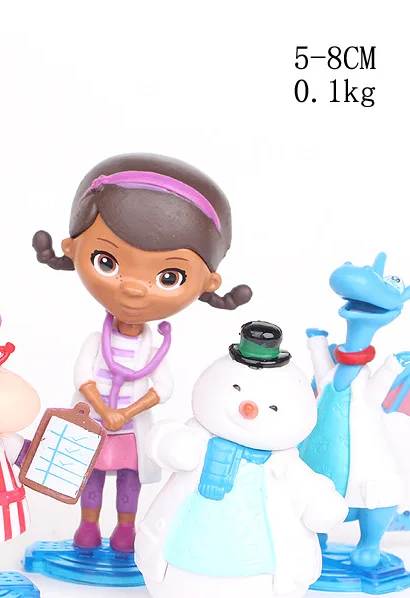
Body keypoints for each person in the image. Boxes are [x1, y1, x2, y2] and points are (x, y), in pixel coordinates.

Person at [33, 153, 252, 552]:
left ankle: (125, 530)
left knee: (129, 481)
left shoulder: (154, 347)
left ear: (209, 282)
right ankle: (87, 527)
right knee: (89, 477)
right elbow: (82, 376)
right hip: (93, 423)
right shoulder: (95, 341)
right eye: (107, 261)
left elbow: (163, 388)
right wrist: (103, 409)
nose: (134, 288)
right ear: (71, 248)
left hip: (131, 430)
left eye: (168, 277)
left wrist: (127, 413)